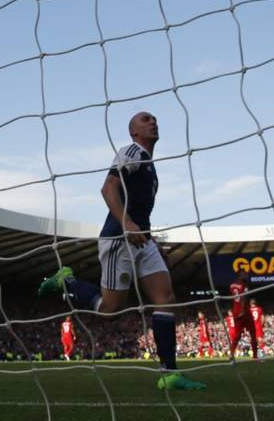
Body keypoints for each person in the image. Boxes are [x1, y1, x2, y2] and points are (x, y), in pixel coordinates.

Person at [38, 112, 204, 390]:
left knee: (165, 296)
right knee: (109, 310)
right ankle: (66, 280)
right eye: (145, 119)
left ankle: (170, 374)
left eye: (154, 118)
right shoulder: (132, 151)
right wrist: (126, 223)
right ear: (133, 131)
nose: (153, 122)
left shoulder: (149, 165)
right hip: (119, 238)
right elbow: (108, 188)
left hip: (143, 239)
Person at [229, 273, 258, 359]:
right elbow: (244, 297)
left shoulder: (232, 285)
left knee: (237, 335)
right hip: (244, 312)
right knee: (253, 333)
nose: (246, 275)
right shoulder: (244, 285)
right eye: (244, 274)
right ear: (240, 275)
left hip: (235, 312)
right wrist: (242, 310)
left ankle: (231, 353)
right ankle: (255, 356)